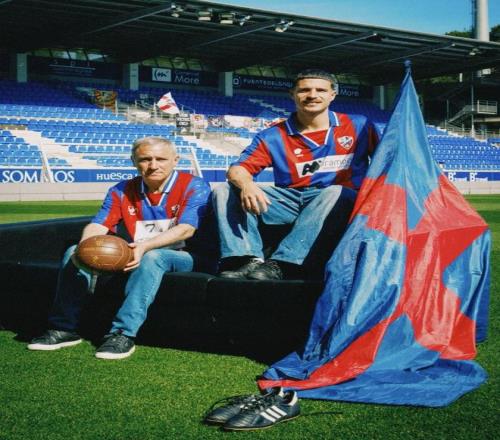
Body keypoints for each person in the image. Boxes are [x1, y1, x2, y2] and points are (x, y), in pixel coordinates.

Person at [28, 136, 214, 359]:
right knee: (75, 251)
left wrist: (145, 246)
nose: (153, 165)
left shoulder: (195, 185)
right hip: (140, 250)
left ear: (175, 160)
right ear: (134, 161)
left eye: (161, 159)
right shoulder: (121, 189)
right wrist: (85, 247)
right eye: (145, 159)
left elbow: (186, 229)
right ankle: (63, 328)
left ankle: (122, 333)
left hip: (191, 256)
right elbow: (99, 224)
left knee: (153, 257)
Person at [213, 69, 378, 281]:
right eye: (304, 90)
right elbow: (237, 170)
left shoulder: (359, 125)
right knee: (225, 189)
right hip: (290, 200)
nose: (312, 95)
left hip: (337, 201)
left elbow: (388, 161)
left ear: (333, 95)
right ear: (292, 94)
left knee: (338, 192)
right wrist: (247, 185)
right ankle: (245, 259)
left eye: (320, 90)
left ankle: (284, 263)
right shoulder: (273, 135)